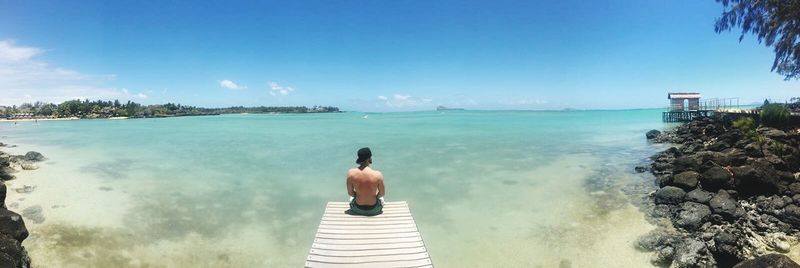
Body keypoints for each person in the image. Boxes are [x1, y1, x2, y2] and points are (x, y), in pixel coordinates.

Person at [346, 147, 385, 216]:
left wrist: (359, 195)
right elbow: (382, 193)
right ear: (369, 158)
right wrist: (374, 197)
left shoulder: (350, 173)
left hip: (357, 209)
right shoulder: (378, 175)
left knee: (351, 198)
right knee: (381, 198)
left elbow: (350, 193)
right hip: (373, 209)